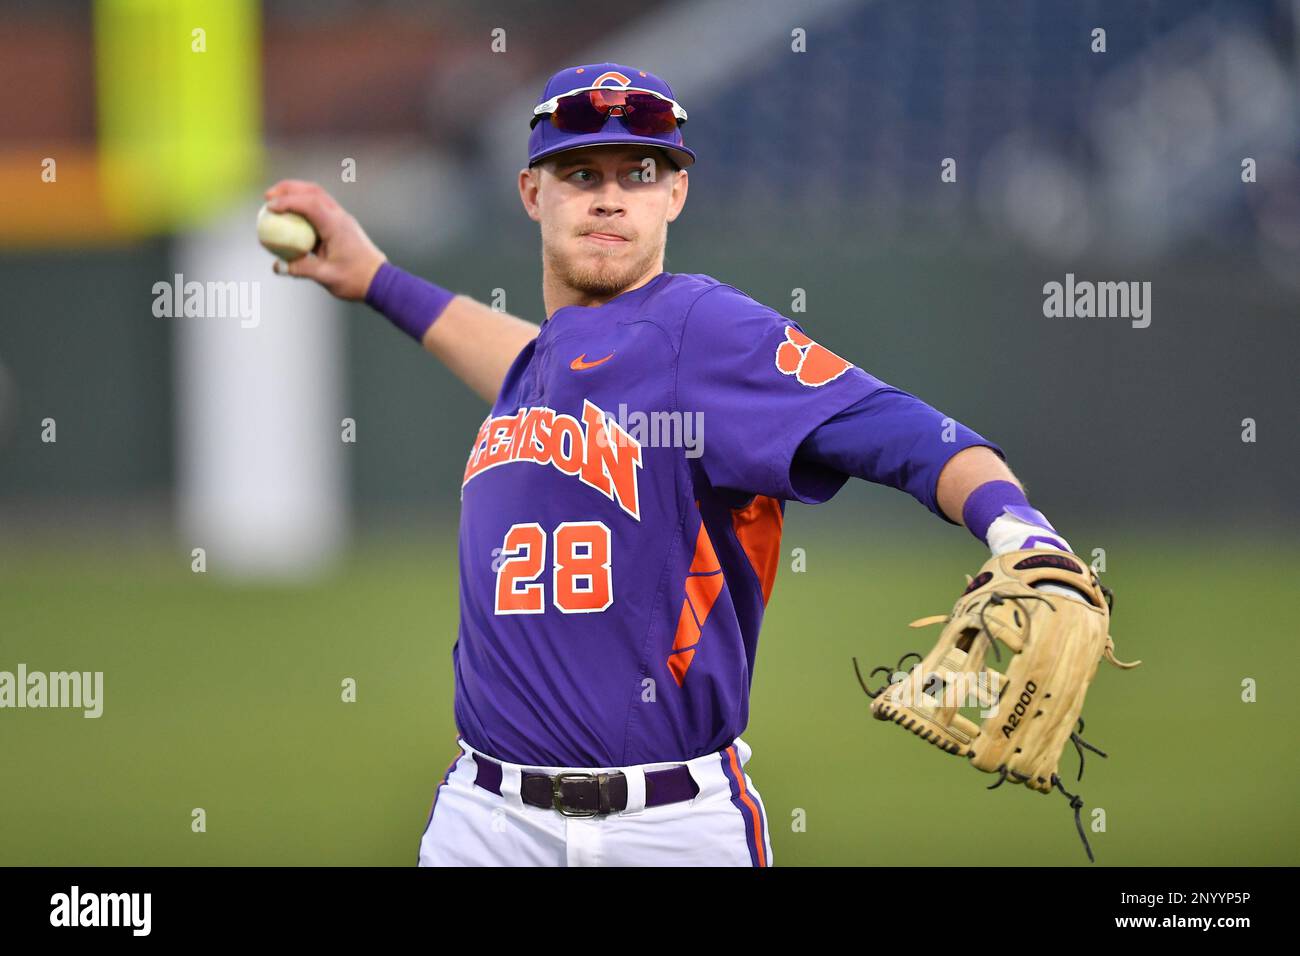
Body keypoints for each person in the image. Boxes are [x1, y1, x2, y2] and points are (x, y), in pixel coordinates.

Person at [264, 63, 1085, 867]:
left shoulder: (701, 330)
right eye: (580, 173)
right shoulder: (548, 365)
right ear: (531, 193)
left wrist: (1021, 531)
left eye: (640, 173)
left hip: (667, 830)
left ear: (675, 195)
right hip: (483, 823)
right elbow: (523, 361)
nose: (610, 196)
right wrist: (376, 279)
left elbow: (904, 431)